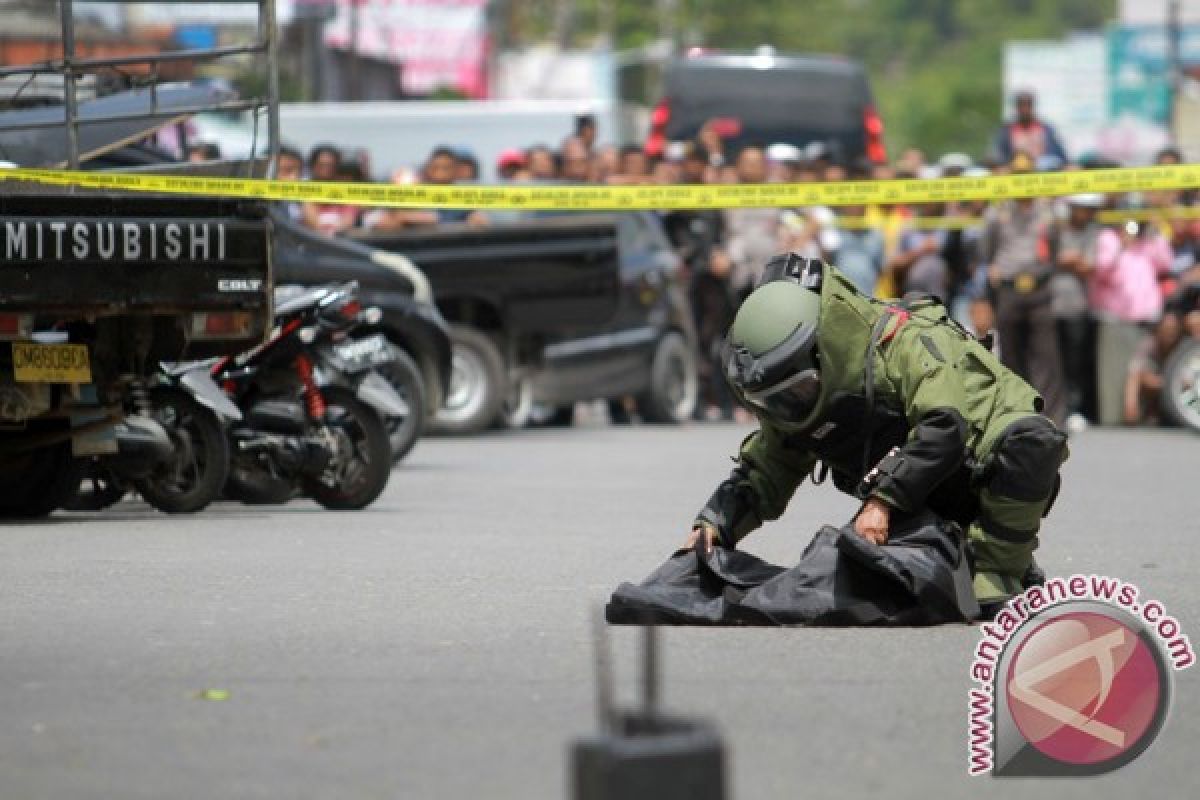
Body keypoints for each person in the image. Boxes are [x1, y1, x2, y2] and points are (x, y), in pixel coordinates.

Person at [683, 254, 1068, 614]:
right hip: (914, 491)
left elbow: (944, 428)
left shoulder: (905, 342)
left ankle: (1000, 568)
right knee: (886, 582)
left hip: (976, 460)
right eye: (772, 401)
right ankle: (961, 554)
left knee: (1032, 442)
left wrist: (882, 502)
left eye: (794, 391)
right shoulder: (805, 399)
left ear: (822, 352)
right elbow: (766, 468)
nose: (786, 408)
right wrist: (714, 525)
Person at [979, 154, 1066, 426]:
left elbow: (1055, 249)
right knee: (1011, 355)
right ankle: (1014, 416)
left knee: (1046, 356)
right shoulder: (998, 213)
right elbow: (988, 250)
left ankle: (1051, 418)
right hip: (1009, 288)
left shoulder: (1047, 212)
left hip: (1039, 288)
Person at [992, 90, 1068, 165]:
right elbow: (998, 155)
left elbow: (1060, 155)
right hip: (1015, 169)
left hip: (1042, 169)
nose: (1025, 109)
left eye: (1028, 105)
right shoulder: (1007, 130)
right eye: (1021, 105)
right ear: (1016, 107)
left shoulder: (1045, 129)